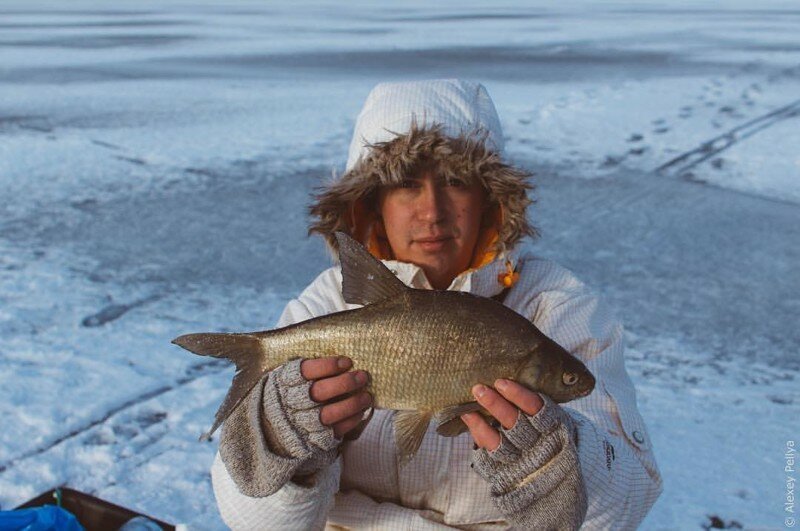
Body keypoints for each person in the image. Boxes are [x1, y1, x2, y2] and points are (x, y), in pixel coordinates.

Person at [210, 79, 662, 529]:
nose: (433, 212)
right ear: (372, 202)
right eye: (406, 184)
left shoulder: (558, 307)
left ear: (489, 198)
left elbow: (632, 497)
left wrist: (564, 464)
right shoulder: (326, 305)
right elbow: (256, 525)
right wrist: (273, 444)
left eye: (456, 181)